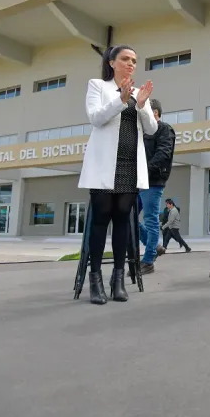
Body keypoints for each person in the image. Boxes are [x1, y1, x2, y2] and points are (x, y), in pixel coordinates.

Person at [78, 45, 157, 305]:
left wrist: (142, 105)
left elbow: (151, 129)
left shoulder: (137, 93)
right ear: (112, 62)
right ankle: (96, 279)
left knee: (123, 221)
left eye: (134, 60)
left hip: (129, 165)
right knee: (101, 220)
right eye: (125, 59)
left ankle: (118, 278)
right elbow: (96, 118)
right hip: (104, 166)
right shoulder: (98, 86)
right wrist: (121, 100)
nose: (131, 64)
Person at [137, 98, 176, 274]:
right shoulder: (142, 133)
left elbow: (163, 153)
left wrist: (145, 170)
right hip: (137, 181)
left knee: (151, 220)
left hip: (153, 182)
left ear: (155, 113)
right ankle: (155, 246)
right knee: (127, 217)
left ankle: (148, 261)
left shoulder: (165, 129)